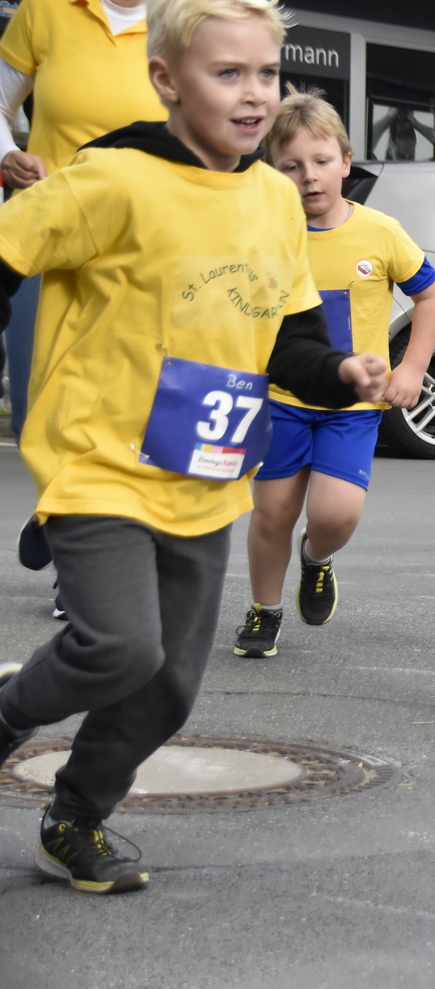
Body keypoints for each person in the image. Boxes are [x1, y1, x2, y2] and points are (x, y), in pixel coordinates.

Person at [0, 0, 388, 894]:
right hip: (99, 459)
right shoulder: (113, 178)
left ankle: (75, 816)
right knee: (117, 648)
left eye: (267, 75)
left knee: (169, 687)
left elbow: (290, 337)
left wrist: (343, 372)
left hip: (206, 473)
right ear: (167, 81)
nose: (255, 97)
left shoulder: (271, 201)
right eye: (228, 75)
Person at [234, 86, 435, 658]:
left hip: (353, 406)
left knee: (335, 514)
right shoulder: (265, 235)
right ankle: (264, 610)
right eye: (291, 166)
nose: (309, 177)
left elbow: (430, 296)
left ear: (346, 163)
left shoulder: (380, 232)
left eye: (322, 162)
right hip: (279, 398)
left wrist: (412, 368)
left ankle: (316, 559)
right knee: (272, 511)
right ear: (270, 172)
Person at [0, 0, 165, 439]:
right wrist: (6, 154)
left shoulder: (185, 15)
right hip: (43, 233)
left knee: (130, 410)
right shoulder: (42, 9)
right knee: (38, 413)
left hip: (144, 239)